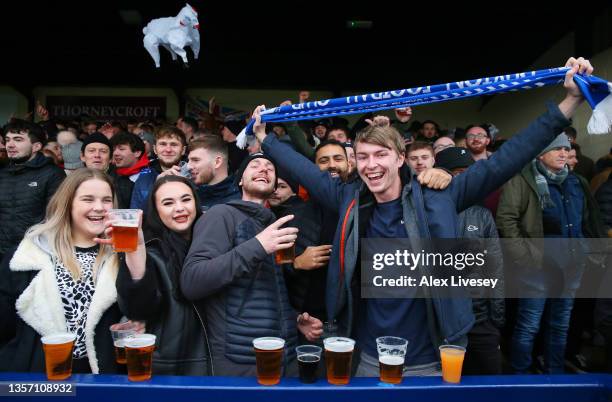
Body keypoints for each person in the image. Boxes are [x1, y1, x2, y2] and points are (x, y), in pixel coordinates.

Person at [253, 56, 594, 377]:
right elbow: (301, 167)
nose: (371, 165)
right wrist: (263, 138)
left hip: (432, 355)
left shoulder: (440, 196)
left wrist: (570, 102)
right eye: (363, 157)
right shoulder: (348, 200)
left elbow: (508, 159)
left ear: (400, 158)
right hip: (366, 356)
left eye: (381, 154)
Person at [181, 153, 322, 376]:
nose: (263, 169)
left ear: (275, 185)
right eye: (254, 165)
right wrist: (258, 246)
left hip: (284, 357)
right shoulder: (221, 214)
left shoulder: (272, 224)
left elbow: (258, 292)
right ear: (239, 180)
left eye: (270, 168)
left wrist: (292, 319)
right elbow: (192, 281)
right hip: (241, 363)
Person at [497, 132, 606, 374]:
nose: (563, 154)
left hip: (572, 265)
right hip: (537, 267)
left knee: (560, 324)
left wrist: (589, 250)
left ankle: (555, 372)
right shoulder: (523, 181)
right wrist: (525, 257)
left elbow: (588, 220)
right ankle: (521, 375)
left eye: (566, 150)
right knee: (529, 325)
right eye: (557, 149)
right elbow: (507, 220)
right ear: (541, 154)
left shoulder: (578, 182)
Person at [0, 169, 125, 374]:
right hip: (38, 377)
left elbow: (140, 311)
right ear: (67, 203)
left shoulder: (123, 255)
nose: (99, 207)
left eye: (106, 200)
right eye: (87, 199)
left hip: (103, 379)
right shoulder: (28, 255)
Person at [103, 176, 210, 375]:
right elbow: (138, 309)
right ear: (156, 211)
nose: (179, 208)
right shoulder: (152, 252)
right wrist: (136, 250)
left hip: (218, 360)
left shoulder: (214, 243)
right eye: (168, 203)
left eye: (186, 199)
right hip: (175, 366)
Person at [434, 147, 505, 375]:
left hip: (479, 317)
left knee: (490, 382)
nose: (464, 178)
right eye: (457, 172)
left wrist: (496, 318)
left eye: (468, 172)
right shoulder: (424, 211)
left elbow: (494, 268)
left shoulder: (482, 214)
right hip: (439, 321)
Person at [0, 119, 65, 264]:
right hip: (2, 254)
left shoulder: (53, 174)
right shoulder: (2, 173)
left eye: (18, 140)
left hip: (35, 256)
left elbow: (56, 218)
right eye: (7, 140)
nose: (10, 145)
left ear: (36, 146)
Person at [130, 126, 187, 210]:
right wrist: (156, 187)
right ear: (155, 149)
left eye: (174, 144)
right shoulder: (144, 177)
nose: (168, 149)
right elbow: (136, 214)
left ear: (183, 150)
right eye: (163, 144)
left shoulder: (193, 174)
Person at [186, 136, 240, 210]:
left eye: (195, 160)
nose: (188, 166)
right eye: (188, 161)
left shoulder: (239, 200)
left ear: (217, 162)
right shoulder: (189, 193)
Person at [110, 132, 149, 208]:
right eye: (114, 149)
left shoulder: (152, 176)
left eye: (121, 149)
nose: (115, 153)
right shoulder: (110, 177)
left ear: (137, 153)